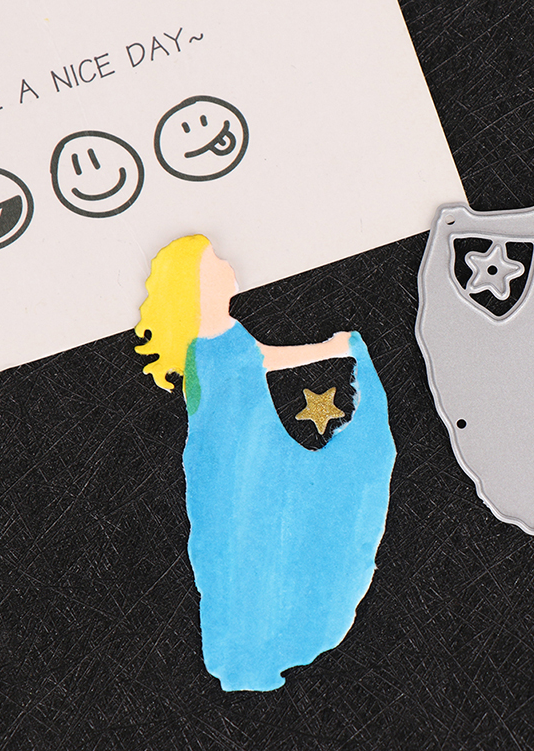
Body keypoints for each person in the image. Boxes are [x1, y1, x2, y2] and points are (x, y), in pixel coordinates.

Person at [135, 234, 395, 691]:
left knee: (265, 541)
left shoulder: (225, 333)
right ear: (197, 283)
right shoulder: (203, 346)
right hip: (233, 463)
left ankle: (261, 647)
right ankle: (244, 653)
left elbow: (263, 359)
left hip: (256, 454)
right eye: (214, 262)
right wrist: (334, 349)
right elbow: (246, 373)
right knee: (241, 546)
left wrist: (332, 349)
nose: (227, 264)